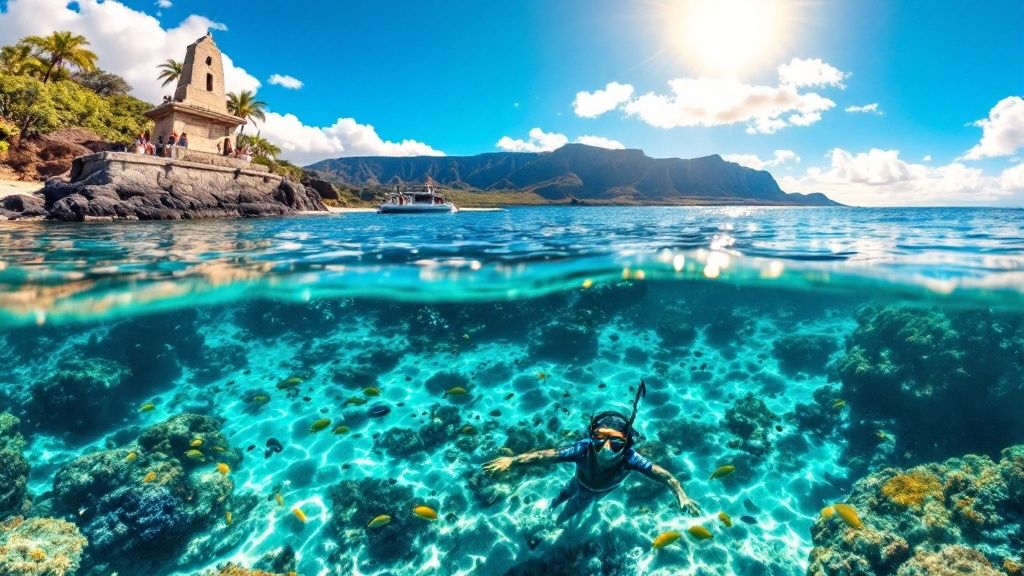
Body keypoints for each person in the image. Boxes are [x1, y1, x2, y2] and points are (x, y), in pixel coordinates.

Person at [483, 381, 701, 524]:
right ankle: (550, 510)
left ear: (626, 442)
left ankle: (552, 525)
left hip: (593, 492)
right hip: (579, 482)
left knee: (572, 509)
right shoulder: (584, 448)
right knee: (563, 493)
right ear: (591, 436)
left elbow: (664, 475)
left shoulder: (629, 458)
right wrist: (512, 460)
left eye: (615, 441)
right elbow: (543, 456)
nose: (606, 447)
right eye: (599, 438)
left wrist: (682, 495)